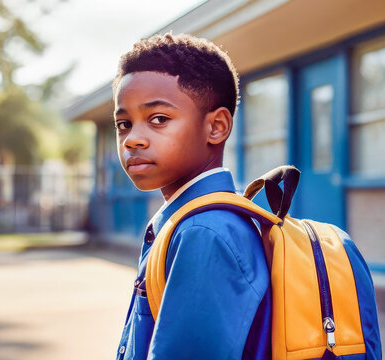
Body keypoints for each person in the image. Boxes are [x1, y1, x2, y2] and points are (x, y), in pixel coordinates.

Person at [113, 33, 271, 360]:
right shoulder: (187, 222)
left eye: (158, 119)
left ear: (216, 127)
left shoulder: (205, 232)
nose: (132, 140)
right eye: (124, 123)